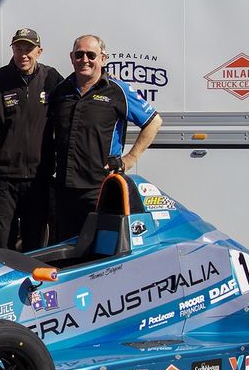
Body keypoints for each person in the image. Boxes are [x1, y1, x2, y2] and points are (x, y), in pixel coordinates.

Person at [46, 34, 163, 242]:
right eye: (79, 54)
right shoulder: (60, 91)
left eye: (91, 55)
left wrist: (130, 158)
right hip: (65, 188)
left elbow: (153, 122)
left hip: (100, 188)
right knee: (67, 250)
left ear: (103, 58)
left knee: (102, 253)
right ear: (71, 57)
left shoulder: (118, 91)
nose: (85, 60)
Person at [0, 28, 63, 251]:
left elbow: (76, 97)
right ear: (13, 50)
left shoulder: (51, 78)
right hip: (4, 177)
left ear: (39, 51)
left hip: (39, 176)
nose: (23, 54)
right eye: (19, 48)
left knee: (34, 244)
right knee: (2, 244)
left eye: (29, 49)